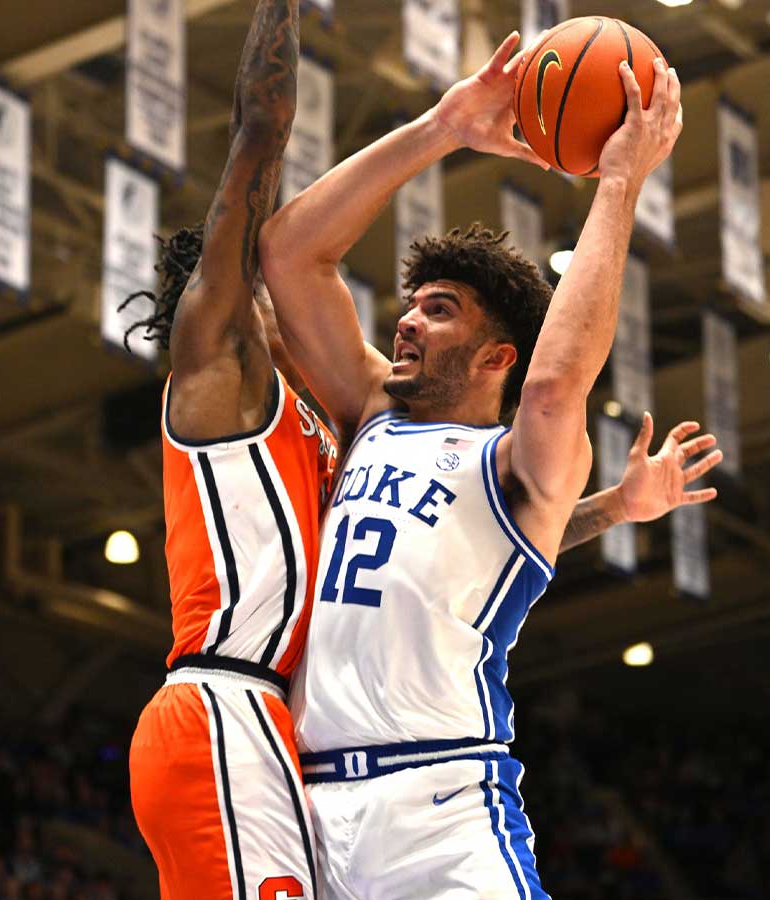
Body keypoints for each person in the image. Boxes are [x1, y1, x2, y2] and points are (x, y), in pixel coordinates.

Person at [259, 33, 711, 899]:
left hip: (442, 813)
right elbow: (289, 254)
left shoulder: (525, 463)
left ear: (498, 356)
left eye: (438, 311)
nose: (406, 324)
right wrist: (441, 126)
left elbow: (555, 389)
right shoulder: (371, 414)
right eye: (410, 307)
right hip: (311, 810)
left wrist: (618, 184)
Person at [121, 2, 334, 898]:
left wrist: (618, 506)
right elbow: (261, 124)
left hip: (263, 720)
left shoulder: (314, 420)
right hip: (220, 703)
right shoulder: (216, 368)